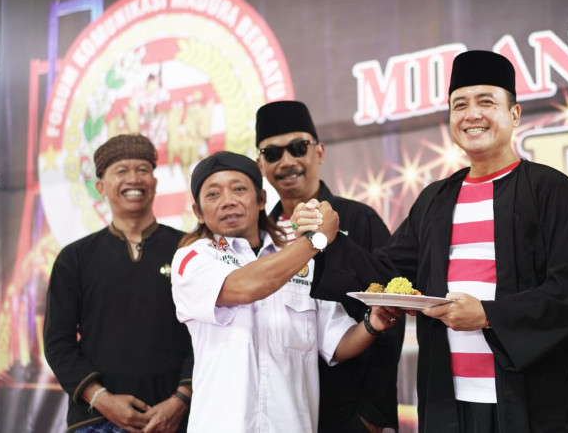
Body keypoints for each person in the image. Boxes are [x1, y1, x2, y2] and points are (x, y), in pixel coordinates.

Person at [294, 50, 568, 432]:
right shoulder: (435, 200)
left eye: (486, 102)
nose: (472, 114)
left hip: (526, 403)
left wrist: (487, 315)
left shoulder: (551, 190)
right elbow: (387, 274)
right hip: (448, 403)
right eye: (460, 105)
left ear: (515, 114)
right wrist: (327, 239)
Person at [169, 151, 401, 432]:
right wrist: (316, 240)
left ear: (262, 199)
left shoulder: (302, 263)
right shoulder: (193, 258)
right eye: (213, 194)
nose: (227, 200)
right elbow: (246, 287)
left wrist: (373, 323)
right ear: (198, 212)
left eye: (239, 189)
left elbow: (339, 344)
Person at [255, 100, 404, 433]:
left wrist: (371, 415)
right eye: (272, 153)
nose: (287, 161)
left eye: (298, 147)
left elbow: (392, 310)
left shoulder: (359, 219)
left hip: (349, 412)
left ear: (319, 152)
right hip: (278, 411)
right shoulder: (260, 233)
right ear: (260, 164)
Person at [44, 134, 194, 433]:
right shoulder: (74, 258)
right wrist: (101, 399)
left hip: (178, 417)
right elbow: (58, 343)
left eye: (142, 169)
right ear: (101, 186)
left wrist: (181, 399)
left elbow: (207, 333)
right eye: (121, 171)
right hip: (97, 420)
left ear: (154, 182)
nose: (134, 179)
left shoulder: (189, 250)